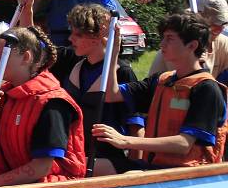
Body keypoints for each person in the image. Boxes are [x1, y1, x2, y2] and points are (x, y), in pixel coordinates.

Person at [21, 0, 145, 172]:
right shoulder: (71, 60)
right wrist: (28, 9)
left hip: (106, 160)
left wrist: (134, 174)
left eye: (78, 35)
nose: (71, 39)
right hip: (74, 156)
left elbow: (137, 130)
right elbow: (32, 44)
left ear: (99, 37)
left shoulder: (122, 72)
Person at [93, 13, 227, 171]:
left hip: (187, 174)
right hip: (154, 167)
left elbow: (184, 144)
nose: (162, 44)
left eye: (169, 38)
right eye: (163, 37)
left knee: (128, 176)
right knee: (91, 166)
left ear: (192, 46)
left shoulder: (206, 89)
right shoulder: (162, 81)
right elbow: (111, 94)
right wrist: (114, 51)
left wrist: (125, 141)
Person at [0, 27, 86, 188]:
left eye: (1, 55)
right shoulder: (4, 96)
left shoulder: (53, 103)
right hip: (6, 177)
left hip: (51, 187)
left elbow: (42, 167)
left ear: (25, 57)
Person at [148, 0, 228, 85]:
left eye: (222, 26)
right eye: (215, 28)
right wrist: (197, 64)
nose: (219, 31)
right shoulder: (178, 48)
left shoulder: (223, 43)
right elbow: (187, 86)